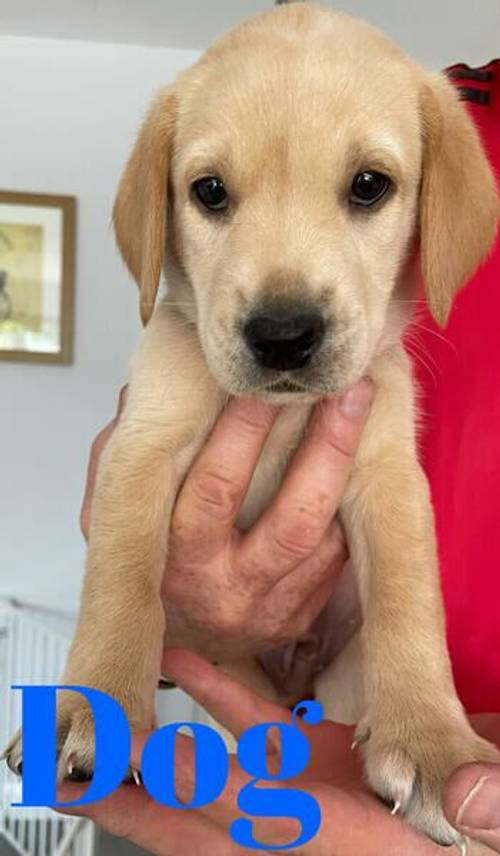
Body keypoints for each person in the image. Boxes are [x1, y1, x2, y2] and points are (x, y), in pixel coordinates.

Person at [59, 383, 500, 855]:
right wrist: (131, 659)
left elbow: (386, 492)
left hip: (357, 654)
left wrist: (422, 718)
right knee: (263, 809)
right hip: (248, 678)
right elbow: (137, 466)